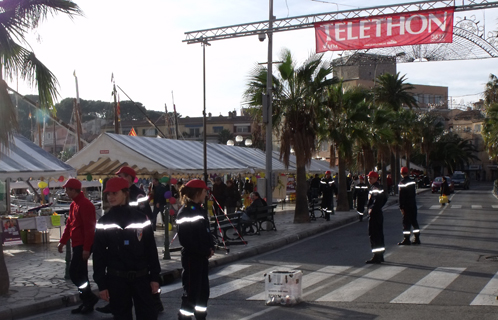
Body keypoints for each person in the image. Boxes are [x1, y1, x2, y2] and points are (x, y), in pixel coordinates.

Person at [93, 177, 161, 320]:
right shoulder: (104, 222)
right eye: (108, 194)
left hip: (141, 277)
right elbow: (99, 255)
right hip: (117, 279)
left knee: (148, 315)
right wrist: (102, 284)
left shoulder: (141, 218)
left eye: (114, 193)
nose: (110, 197)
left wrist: (155, 277)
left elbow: (150, 249)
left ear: (125, 193)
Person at [57, 179, 99, 315]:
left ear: (74, 190)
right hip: (77, 244)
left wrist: (87, 248)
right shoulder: (74, 205)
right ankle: (87, 300)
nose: (66, 192)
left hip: (82, 244)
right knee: (79, 274)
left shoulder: (85, 205)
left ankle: (89, 298)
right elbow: (70, 225)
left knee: (75, 273)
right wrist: (63, 241)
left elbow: (89, 228)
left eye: (68, 189)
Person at [176, 179, 215, 320]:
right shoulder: (185, 212)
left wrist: (211, 246)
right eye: (205, 191)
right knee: (191, 294)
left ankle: (201, 317)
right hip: (192, 259)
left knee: (203, 293)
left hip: (201, 258)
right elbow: (187, 240)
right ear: (198, 192)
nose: (206, 194)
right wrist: (205, 250)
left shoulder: (199, 209)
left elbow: (205, 232)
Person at [365, 171, 387, 264]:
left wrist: (372, 209)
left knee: (374, 235)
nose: (369, 180)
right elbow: (385, 198)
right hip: (378, 213)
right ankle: (380, 255)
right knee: (379, 235)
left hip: (375, 214)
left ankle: (376, 256)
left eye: (371, 178)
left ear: (375, 178)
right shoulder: (377, 187)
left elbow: (376, 200)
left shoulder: (375, 188)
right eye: (368, 178)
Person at [398, 167, 421, 245]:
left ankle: (406, 239)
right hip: (413, 204)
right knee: (414, 222)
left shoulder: (402, 183)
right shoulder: (412, 182)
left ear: (401, 173)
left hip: (406, 206)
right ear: (408, 173)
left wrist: (401, 207)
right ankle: (417, 238)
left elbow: (401, 197)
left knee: (406, 223)